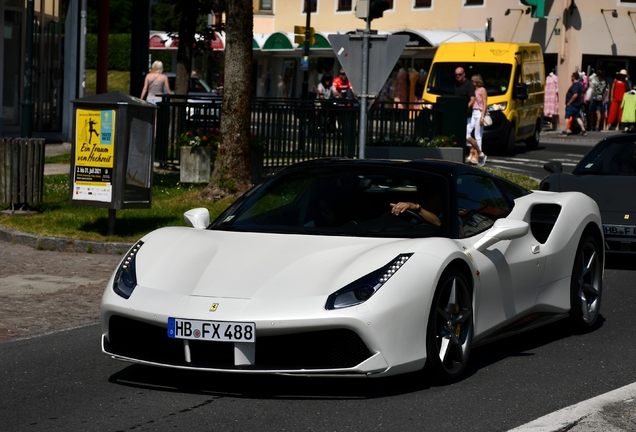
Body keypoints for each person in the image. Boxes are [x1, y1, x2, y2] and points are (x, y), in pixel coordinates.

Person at [454, 67, 477, 164]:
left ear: (464, 74)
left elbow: (472, 99)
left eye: (460, 74)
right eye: (456, 75)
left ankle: (476, 152)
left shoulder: (469, 85)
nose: (458, 76)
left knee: (467, 135)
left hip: (467, 114)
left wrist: (465, 108)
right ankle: (470, 153)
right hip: (458, 114)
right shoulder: (456, 85)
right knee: (461, 135)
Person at [466, 74, 488, 166]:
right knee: (467, 131)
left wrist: (482, 117)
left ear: (476, 82)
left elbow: (485, 103)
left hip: (479, 112)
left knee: (478, 135)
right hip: (472, 113)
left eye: (473, 81)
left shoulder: (482, 90)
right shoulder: (472, 90)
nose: (472, 83)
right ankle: (472, 151)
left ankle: (479, 156)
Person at [562, 71, 587, 136]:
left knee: (567, 116)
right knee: (577, 117)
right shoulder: (580, 85)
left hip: (572, 104)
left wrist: (569, 102)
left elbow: (575, 95)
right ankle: (583, 130)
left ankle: (564, 131)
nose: (571, 78)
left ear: (574, 77)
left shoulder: (575, 85)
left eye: (572, 76)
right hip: (577, 104)